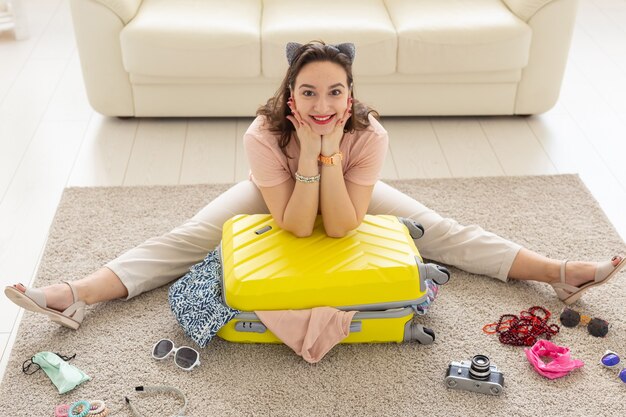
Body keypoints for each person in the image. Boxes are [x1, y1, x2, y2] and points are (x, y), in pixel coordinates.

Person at [5, 41, 625, 330]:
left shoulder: (369, 133)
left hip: (345, 186)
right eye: (308, 92)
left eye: (335, 92)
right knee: (194, 234)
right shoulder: (262, 135)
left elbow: (345, 224)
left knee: (439, 231)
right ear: (289, 96)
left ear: (350, 96)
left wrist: (330, 152)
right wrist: (311, 155)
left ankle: (559, 270)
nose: (323, 102)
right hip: (281, 189)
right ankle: (75, 294)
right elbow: (298, 227)